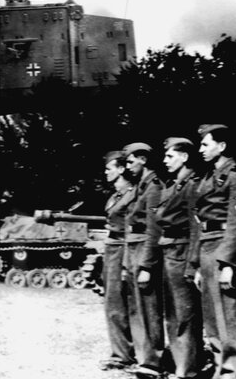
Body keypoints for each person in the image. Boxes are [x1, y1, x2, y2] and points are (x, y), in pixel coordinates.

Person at [191, 124, 236, 379]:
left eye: (205, 144)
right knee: (212, 317)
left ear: (222, 146)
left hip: (223, 248)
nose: (200, 149)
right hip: (207, 247)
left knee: (230, 315)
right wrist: (198, 264)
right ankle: (222, 369)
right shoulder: (209, 177)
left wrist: (229, 263)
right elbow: (200, 222)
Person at [156, 137, 206, 379]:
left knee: (185, 314)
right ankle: (180, 365)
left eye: (170, 156)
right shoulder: (173, 185)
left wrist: (193, 263)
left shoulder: (192, 185)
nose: (165, 160)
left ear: (184, 157)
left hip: (183, 250)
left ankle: (188, 369)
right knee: (173, 314)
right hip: (169, 249)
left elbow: (197, 227)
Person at [122, 142, 165, 379]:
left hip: (143, 248)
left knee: (149, 308)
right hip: (133, 247)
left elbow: (154, 228)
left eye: (131, 161)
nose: (127, 166)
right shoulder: (140, 186)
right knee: (136, 307)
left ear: (143, 160)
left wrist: (147, 264)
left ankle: (153, 362)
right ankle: (142, 357)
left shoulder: (154, 186)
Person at [98, 150, 137, 371]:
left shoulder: (132, 195)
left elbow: (132, 230)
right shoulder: (114, 196)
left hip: (123, 250)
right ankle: (120, 352)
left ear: (121, 169)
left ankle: (125, 354)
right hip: (112, 249)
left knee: (122, 304)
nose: (105, 172)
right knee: (113, 303)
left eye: (109, 168)